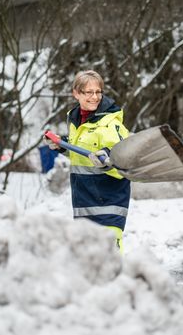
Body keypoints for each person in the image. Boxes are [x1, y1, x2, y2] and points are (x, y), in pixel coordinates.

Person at [44, 70, 130, 252]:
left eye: (98, 91)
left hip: (108, 201)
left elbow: (125, 158)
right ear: (76, 93)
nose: (95, 97)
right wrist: (61, 145)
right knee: (89, 260)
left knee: (109, 258)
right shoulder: (77, 120)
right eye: (89, 92)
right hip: (84, 201)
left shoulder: (110, 122)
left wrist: (108, 157)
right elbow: (84, 151)